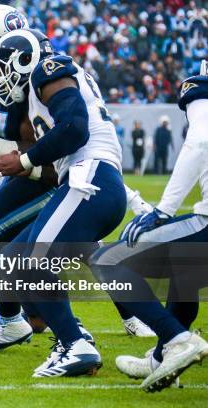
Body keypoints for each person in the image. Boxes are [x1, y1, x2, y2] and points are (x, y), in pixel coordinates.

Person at [0, 29, 127, 377]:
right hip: (80, 178)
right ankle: (47, 329)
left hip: (85, 179)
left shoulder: (48, 73)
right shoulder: (30, 84)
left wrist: (9, 155)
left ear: (18, 53)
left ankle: (74, 339)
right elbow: (40, 145)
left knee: (22, 254)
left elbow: (67, 136)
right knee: (14, 261)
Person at [90, 61, 208, 392]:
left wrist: (163, 210)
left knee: (106, 260)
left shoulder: (201, 94)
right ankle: (161, 357)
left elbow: (199, 142)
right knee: (186, 274)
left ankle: (179, 341)